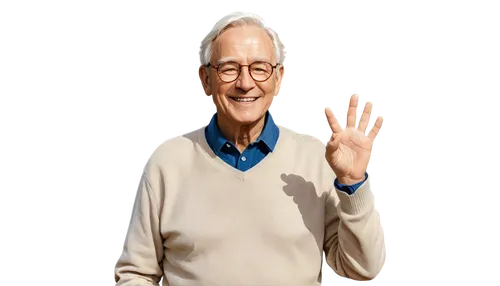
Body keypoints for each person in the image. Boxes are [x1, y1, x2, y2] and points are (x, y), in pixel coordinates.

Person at [112, 9, 387, 285]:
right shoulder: (168, 162)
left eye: (259, 68)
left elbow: (363, 269)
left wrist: (353, 183)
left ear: (279, 78)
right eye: (229, 68)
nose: (245, 83)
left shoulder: (319, 159)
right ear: (205, 79)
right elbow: (136, 274)